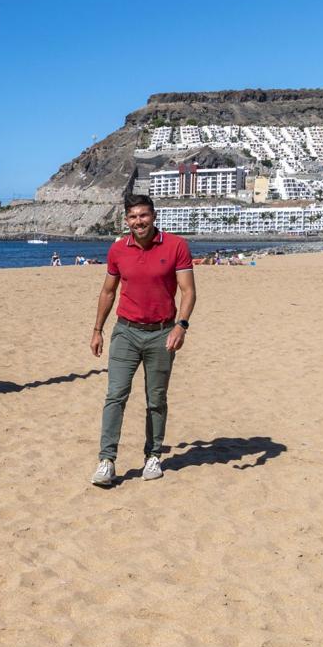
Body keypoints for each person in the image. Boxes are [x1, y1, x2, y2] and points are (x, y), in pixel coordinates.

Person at [90, 194, 196, 487]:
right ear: (126, 220)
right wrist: (97, 329)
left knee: (156, 398)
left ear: (154, 216)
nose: (139, 221)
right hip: (125, 331)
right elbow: (108, 292)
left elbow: (188, 291)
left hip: (162, 333)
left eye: (144, 215)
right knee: (116, 395)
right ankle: (106, 460)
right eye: (133, 217)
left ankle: (153, 455)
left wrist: (181, 326)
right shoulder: (118, 250)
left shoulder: (176, 245)